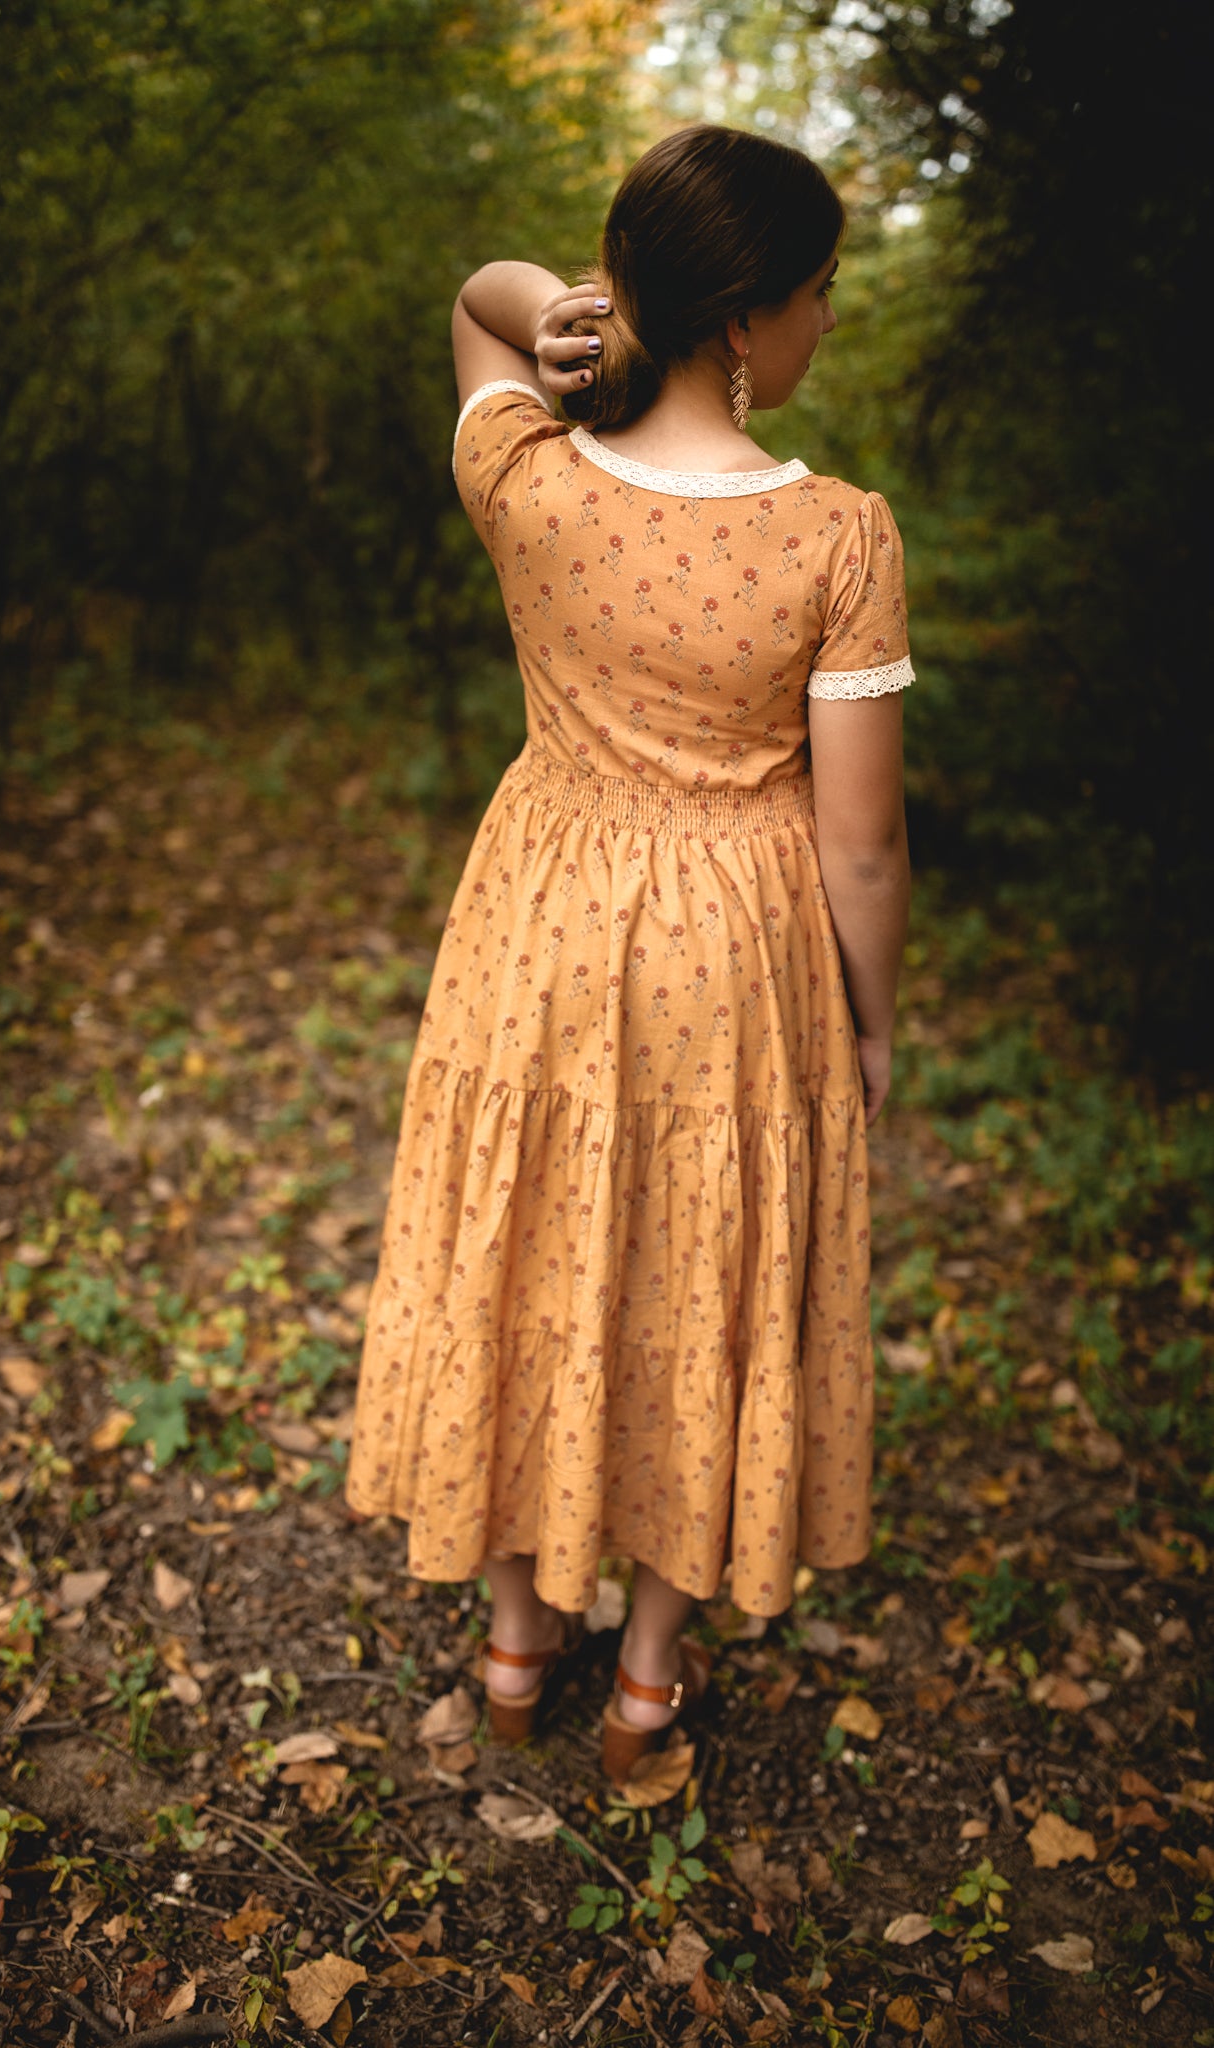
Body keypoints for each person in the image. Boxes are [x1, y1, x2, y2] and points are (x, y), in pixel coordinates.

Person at [345, 123, 912, 1783]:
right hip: (740, 955)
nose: (824, 325)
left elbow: (476, 300)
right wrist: (871, 1026)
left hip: (539, 924)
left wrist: (564, 312)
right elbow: (861, 843)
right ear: (744, 319)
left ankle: (519, 1645)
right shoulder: (835, 540)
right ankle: (648, 1688)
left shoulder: (526, 475)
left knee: (529, 1255)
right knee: (704, 1279)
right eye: (815, 295)